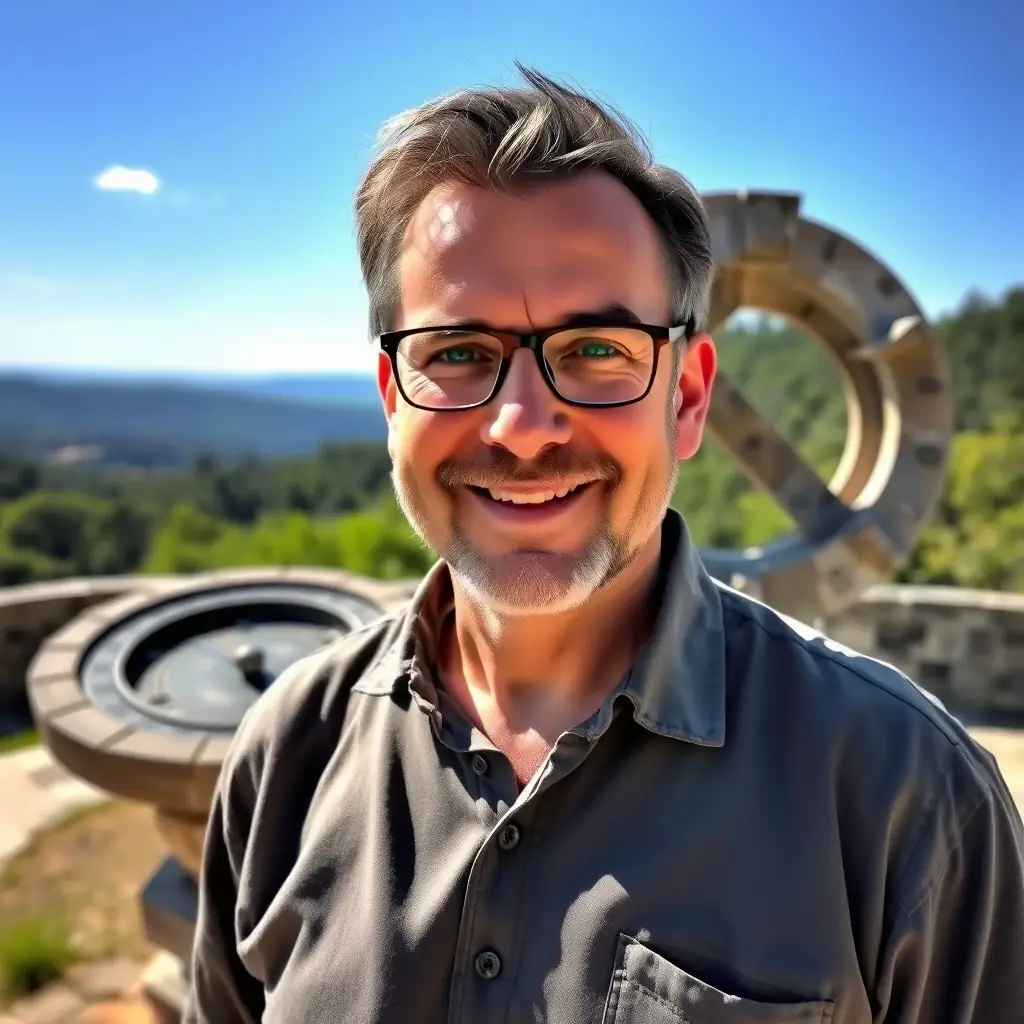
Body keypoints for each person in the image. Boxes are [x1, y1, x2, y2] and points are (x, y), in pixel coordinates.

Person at [182, 67, 1024, 1023]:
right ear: (391, 400)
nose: (522, 429)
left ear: (689, 397)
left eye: (596, 351)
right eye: (457, 353)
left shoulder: (906, 796)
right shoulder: (286, 755)